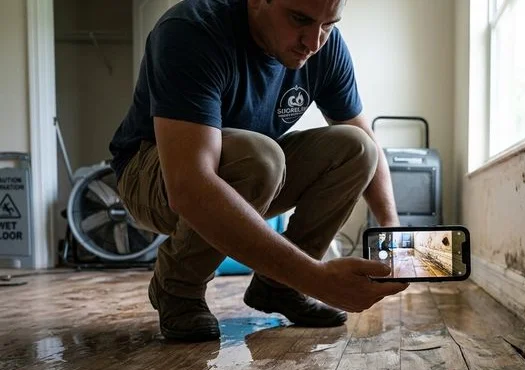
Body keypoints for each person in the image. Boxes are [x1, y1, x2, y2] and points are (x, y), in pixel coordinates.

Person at [109, 0, 408, 342]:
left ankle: (278, 288)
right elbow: (189, 186)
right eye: (299, 19)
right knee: (261, 160)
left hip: (251, 171)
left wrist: (392, 229)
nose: (313, 42)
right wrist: (316, 278)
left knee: (358, 148)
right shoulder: (190, 30)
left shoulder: (325, 46)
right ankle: (177, 288)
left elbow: (365, 141)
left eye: (328, 25)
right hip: (152, 173)